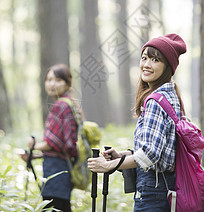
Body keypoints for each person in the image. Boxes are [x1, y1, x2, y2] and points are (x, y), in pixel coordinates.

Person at [87, 33, 187, 211]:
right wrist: (123, 155)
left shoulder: (156, 101)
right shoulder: (170, 97)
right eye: (144, 58)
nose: (147, 64)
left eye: (155, 60)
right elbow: (160, 148)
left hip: (153, 191)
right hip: (165, 187)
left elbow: (150, 155)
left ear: (167, 67)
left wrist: (108, 165)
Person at [20, 64, 78, 212]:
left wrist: (34, 145)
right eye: (49, 79)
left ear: (67, 82)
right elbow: (60, 148)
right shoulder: (70, 104)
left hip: (56, 172)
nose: (52, 84)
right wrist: (34, 156)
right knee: (61, 207)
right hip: (64, 168)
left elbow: (53, 143)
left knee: (55, 207)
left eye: (58, 80)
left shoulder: (61, 106)